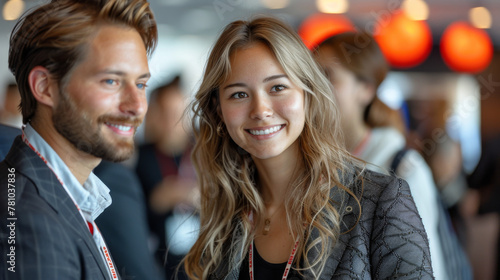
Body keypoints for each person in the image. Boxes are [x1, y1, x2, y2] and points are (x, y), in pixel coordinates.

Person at [183, 17, 433, 279]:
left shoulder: (380, 200)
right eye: (239, 94)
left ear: (308, 95)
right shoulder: (224, 217)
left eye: (277, 87)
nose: (260, 110)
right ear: (218, 110)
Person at [0, 0, 157, 279]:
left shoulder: (60, 193)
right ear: (45, 87)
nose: (137, 106)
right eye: (111, 81)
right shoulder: (30, 223)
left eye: (141, 84)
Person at [316, 31, 471, 280]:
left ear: (365, 90)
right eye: (309, 77)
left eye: (327, 76)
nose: (314, 88)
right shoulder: (313, 165)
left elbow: (426, 269)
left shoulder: (402, 168)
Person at [136, 76, 198, 280]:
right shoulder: (139, 158)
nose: (173, 121)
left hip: (203, 261)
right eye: (165, 113)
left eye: (178, 113)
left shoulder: (204, 153)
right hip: (158, 265)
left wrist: (185, 193)